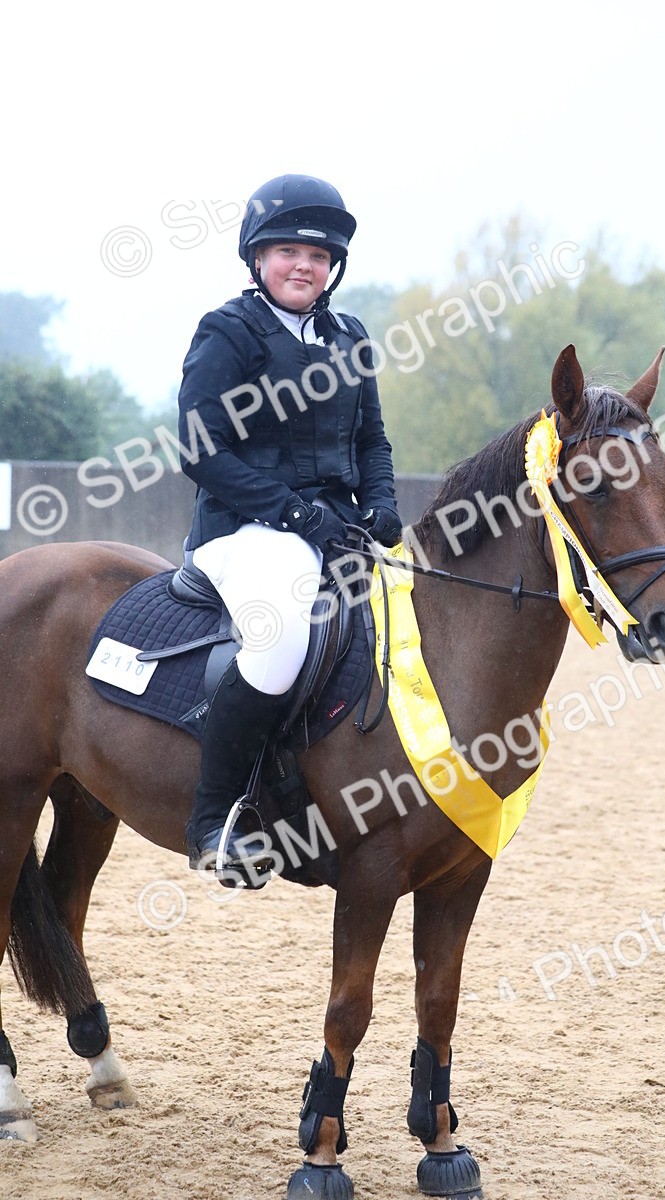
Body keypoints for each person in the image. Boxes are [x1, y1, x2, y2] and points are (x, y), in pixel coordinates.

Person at [177, 173, 402, 878]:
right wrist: (293, 511)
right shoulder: (228, 333)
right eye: (287, 251)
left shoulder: (350, 336)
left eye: (319, 255)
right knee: (280, 639)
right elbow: (199, 450)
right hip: (242, 533)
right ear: (257, 258)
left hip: (332, 532)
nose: (304, 264)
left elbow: (372, 442)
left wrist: (383, 503)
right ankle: (216, 822)